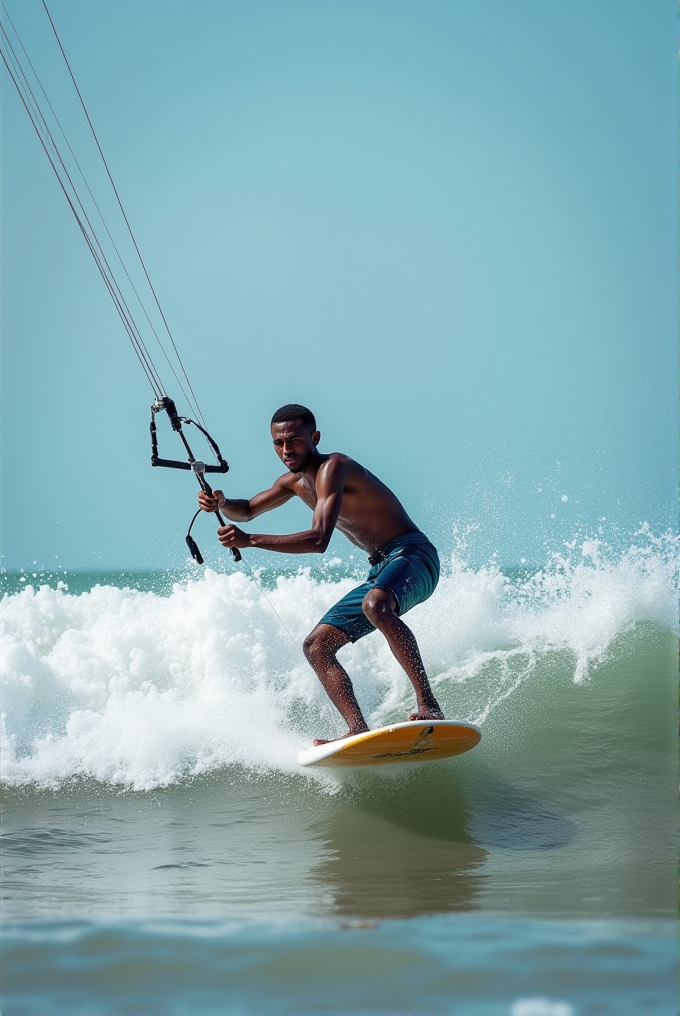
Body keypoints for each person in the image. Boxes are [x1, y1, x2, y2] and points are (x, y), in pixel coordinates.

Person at [198, 403, 443, 744]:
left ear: (314, 437)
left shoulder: (335, 467)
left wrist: (249, 541)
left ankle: (429, 705)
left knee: (375, 605)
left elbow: (318, 540)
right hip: (381, 567)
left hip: (414, 555)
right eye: (278, 443)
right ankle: (358, 730)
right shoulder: (292, 483)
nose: (286, 450)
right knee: (316, 646)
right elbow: (249, 510)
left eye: (295, 441)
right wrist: (221, 503)